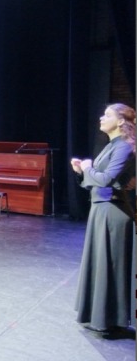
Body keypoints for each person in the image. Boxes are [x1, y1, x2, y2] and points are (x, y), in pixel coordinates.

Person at [72, 103, 136, 333]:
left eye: (107, 115)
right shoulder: (112, 145)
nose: (101, 117)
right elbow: (98, 180)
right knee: (101, 266)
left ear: (121, 121)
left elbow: (106, 179)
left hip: (112, 211)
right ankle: (100, 317)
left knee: (109, 267)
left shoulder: (124, 147)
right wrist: (82, 172)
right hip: (101, 208)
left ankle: (110, 320)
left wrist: (88, 168)